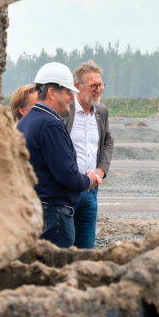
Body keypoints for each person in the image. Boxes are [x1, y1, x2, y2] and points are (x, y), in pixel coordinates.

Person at [17, 62, 101, 249]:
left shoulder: (26, 122)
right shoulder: (51, 125)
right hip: (53, 217)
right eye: (67, 92)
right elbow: (67, 175)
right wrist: (88, 181)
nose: (72, 97)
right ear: (52, 93)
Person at [63, 61, 114, 249]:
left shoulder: (101, 111)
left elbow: (108, 141)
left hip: (91, 192)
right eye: (93, 85)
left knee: (87, 251)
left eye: (100, 85)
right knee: (65, 250)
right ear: (77, 87)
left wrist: (101, 171)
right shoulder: (64, 111)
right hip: (66, 192)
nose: (98, 89)